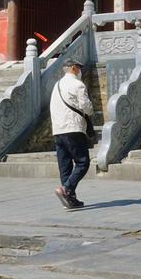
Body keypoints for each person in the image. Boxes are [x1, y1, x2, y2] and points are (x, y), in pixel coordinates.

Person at [50, 58, 94, 209]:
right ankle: (66, 189)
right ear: (74, 68)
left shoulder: (57, 85)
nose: (80, 71)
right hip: (73, 128)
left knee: (65, 167)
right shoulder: (78, 84)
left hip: (58, 130)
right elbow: (86, 106)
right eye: (79, 68)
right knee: (83, 162)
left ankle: (69, 199)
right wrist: (90, 110)